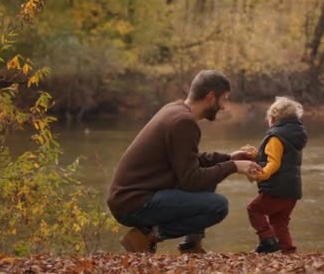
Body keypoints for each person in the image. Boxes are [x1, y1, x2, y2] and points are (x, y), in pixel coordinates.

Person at [107, 70, 262, 254]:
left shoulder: (174, 110)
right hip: (134, 203)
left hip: (130, 198)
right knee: (218, 206)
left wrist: (229, 158)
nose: (224, 107)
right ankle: (145, 236)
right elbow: (192, 180)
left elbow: (189, 162)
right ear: (211, 97)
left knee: (209, 180)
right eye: (224, 99)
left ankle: (191, 245)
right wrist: (233, 167)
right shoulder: (184, 122)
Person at [245, 96, 308, 254]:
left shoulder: (276, 137)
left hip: (277, 190)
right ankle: (288, 251)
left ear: (272, 118)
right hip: (291, 192)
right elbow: (280, 158)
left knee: (254, 209)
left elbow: (274, 163)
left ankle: (267, 240)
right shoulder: (295, 136)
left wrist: (260, 174)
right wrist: (256, 156)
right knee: (279, 222)